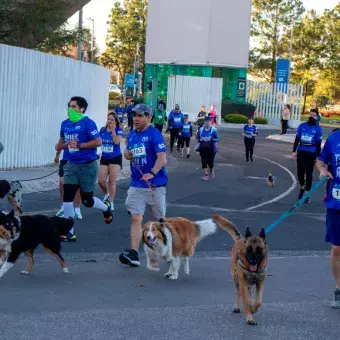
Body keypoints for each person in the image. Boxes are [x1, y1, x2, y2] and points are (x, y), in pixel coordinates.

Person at [55, 96, 113, 242]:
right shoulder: (65, 124)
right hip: (71, 164)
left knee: (87, 201)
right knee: (68, 196)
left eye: (74, 106)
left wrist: (80, 145)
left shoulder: (88, 123)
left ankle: (106, 209)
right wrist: (58, 149)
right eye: (69, 106)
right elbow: (62, 140)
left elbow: (98, 142)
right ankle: (70, 231)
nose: (70, 109)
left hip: (88, 165)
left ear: (81, 109)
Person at [119, 104, 167, 267]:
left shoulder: (154, 135)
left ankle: (165, 250)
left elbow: (162, 158)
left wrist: (152, 173)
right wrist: (127, 154)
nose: (136, 118)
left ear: (149, 117)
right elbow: (130, 154)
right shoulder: (132, 135)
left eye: (140, 115)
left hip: (156, 185)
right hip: (137, 184)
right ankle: (133, 253)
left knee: (159, 222)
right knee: (136, 217)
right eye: (134, 115)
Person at [317, 129, 340, 309]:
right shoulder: (334, 138)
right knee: (337, 249)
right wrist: (323, 169)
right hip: (336, 203)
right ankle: (339, 289)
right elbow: (321, 160)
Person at [292, 109, 322, 203]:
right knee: (300, 173)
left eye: (313, 115)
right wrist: (293, 151)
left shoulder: (318, 129)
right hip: (301, 152)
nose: (311, 116)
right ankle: (302, 186)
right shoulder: (302, 126)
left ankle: (307, 194)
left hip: (311, 153)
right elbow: (297, 139)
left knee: (309, 174)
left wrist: (319, 157)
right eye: (310, 114)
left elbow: (318, 144)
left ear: (317, 117)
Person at [98, 112, 123, 211]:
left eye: (112, 119)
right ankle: (106, 194)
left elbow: (117, 142)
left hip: (115, 158)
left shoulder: (118, 130)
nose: (109, 121)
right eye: (108, 119)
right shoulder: (102, 130)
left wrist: (113, 131)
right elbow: (99, 142)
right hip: (104, 157)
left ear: (116, 121)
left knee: (112, 181)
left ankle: (111, 202)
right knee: (101, 181)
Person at [54, 148, 83, 221]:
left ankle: (77, 210)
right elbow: (61, 142)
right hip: (66, 159)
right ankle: (64, 207)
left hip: (79, 160)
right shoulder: (65, 135)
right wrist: (57, 155)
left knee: (77, 186)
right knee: (62, 183)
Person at [196, 116, 219, 180]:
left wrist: (211, 140)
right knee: (204, 162)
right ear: (204, 122)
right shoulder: (201, 129)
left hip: (211, 148)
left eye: (208, 122)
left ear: (210, 122)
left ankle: (211, 171)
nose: (207, 124)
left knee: (210, 162)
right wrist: (200, 139)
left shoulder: (214, 129)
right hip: (203, 148)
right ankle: (206, 175)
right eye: (206, 123)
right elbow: (197, 138)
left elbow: (217, 138)